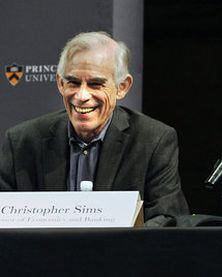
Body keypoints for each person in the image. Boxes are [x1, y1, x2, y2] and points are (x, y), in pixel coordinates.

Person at [0, 31, 189, 226]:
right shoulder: (22, 142)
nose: (82, 95)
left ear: (122, 87)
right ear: (59, 83)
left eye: (95, 84)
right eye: (73, 82)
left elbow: (166, 219)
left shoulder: (153, 140)